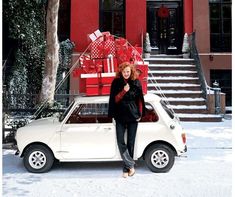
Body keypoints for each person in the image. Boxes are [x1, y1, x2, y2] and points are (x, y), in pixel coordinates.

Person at [108, 62, 145, 178]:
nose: (126, 74)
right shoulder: (116, 82)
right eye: (124, 72)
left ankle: (126, 168)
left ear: (131, 71)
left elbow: (140, 100)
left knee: (131, 142)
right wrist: (124, 91)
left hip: (133, 116)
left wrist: (140, 114)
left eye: (128, 71)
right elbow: (114, 99)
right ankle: (131, 165)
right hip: (120, 115)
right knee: (120, 141)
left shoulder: (136, 82)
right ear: (121, 72)